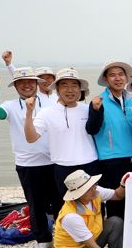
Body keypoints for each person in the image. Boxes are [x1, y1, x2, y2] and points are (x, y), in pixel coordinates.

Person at [0, 69, 59, 248]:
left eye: (30, 82)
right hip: (27, 163)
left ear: (37, 84)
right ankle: (43, 240)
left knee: (59, 202)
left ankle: (63, 238)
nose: (26, 85)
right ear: (15, 87)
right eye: (21, 83)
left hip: (53, 160)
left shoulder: (50, 101)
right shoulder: (11, 105)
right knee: (35, 204)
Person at [24, 68, 99, 196]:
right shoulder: (47, 113)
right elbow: (31, 138)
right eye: (64, 85)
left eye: (74, 85)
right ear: (57, 90)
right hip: (63, 167)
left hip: (90, 164)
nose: (70, 90)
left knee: (94, 205)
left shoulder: (89, 109)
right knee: (66, 208)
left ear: (80, 89)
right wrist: (29, 112)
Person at [86, 61, 132, 219]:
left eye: (120, 74)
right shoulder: (99, 101)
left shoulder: (131, 102)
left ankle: (131, 239)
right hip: (110, 160)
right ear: (105, 79)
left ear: (126, 77)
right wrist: (96, 111)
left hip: (131, 159)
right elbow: (91, 129)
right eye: (112, 75)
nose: (117, 78)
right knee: (115, 203)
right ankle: (116, 242)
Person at [54, 170, 127, 248]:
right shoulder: (71, 216)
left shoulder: (95, 192)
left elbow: (118, 195)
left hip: (90, 238)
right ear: (79, 194)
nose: (95, 188)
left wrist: (123, 184)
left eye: (93, 184)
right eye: (89, 188)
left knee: (115, 222)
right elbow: (92, 246)